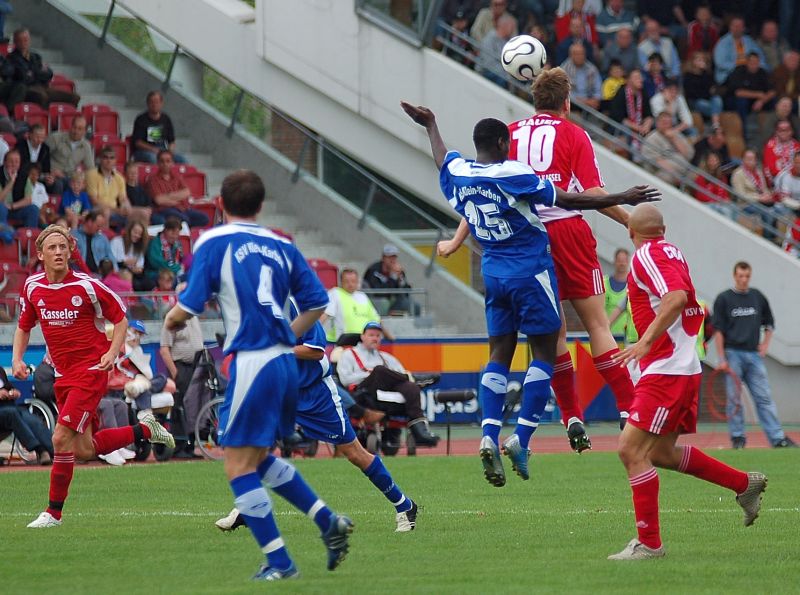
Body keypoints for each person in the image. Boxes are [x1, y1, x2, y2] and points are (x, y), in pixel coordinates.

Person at [400, 98, 658, 484]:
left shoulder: (461, 171)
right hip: (530, 273)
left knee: (499, 355)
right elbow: (568, 198)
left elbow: (441, 158)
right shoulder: (515, 173)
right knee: (546, 351)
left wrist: (431, 124)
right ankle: (521, 438)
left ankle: (488, 436)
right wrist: (621, 198)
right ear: (503, 144)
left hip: (493, 275)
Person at [164, 169, 353, 580]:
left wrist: (170, 320)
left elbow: (188, 306)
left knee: (237, 465)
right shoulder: (281, 243)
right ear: (261, 205)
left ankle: (281, 563)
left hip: (254, 361)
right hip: (285, 363)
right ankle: (327, 522)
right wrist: (286, 336)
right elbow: (318, 303)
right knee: (260, 457)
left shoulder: (213, 240)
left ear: (219, 205)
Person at [450, 68, 645, 452]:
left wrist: (457, 238)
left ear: (534, 99)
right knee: (597, 325)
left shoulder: (510, 133)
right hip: (568, 230)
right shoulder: (573, 134)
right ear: (566, 102)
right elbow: (592, 191)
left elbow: (483, 188)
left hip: (526, 239)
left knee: (552, 333)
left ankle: (571, 415)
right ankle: (629, 408)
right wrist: (628, 220)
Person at [608, 203, 767, 561]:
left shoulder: (644, 256)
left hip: (666, 369)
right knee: (660, 453)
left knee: (630, 450)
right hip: (682, 366)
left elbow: (676, 298)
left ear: (631, 233)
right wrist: (605, 200)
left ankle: (649, 544)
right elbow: (636, 224)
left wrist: (645, 342)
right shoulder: (668, 249)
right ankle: (744, 484)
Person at [12, 225, 173, 528]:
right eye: (52, 248)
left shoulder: (87, 286)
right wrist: (17, 359)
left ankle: (53, 513)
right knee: (83, 449)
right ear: (40, 254)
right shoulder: (32, 287)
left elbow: (121, 319)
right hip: (62, 375)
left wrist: (111, 353)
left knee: (60, 438)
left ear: (70, 251)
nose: (58, 252)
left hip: (90, 372)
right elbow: (23, 326)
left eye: (63, 247)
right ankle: (146, 430)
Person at [215, 305, 418, 534]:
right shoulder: (257, 304)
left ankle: (404, 505)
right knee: (255, 446)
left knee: (355, 453)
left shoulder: (296, 305)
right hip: (282, 389)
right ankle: (249, 508)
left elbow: (315, 351)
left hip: (316, 395)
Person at [712, 262, 796, 449]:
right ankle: (738, 438)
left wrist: (765, 345)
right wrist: (722, 358)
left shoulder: (757, 297)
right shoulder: (724, 299)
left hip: (753, 355)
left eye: (747, 276)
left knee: (764, 397)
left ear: (750, 276)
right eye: (740, 276)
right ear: (735, 276)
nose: (744, 280)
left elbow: (770, 324)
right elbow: (718, 331)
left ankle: (777, 438)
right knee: (734, 399)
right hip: (732, 354)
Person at [337, 321, 439, 446]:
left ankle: (420, 433)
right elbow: (345, 380)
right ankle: (413, 377)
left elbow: (399, 375)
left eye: (378, 336)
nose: (375, 338)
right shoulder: (348, 355)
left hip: (386, 390)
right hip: (363, 391)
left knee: (410, 387)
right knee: (380, 370)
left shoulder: (386, 357)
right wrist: (369, 374)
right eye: (371, 335)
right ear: (362, 337)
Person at [159, 312, 204, 458]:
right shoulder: (172, 317)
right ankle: (179, 447)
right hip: (180, 366)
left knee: (194, 407)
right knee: (179, 406)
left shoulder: (194, 317)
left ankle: (190, 446)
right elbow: (164, 349)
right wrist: (175, 373)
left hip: (196, 367)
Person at [5, 28, 80, 107]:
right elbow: (24, 77)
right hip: (27, 89)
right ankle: (44, 114)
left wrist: (33, 73)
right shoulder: (12, 58)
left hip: (43, 87)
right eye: (20, 41)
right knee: (42, 97)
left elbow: (49, 74)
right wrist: (38, 72)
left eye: (25, 40)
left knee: (74, 97)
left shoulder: (36, 57)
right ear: (15, 42)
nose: (23, 43)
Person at [0, 366, 54, 465]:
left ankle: (55, 451)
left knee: (29, 418)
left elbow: (8, 387)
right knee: (12, 413)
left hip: (9, 406)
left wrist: (13, 392)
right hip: (6, 412)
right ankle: (40, 450)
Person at [320, 267, 391, 342]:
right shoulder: (335, 293)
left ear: (358, 282)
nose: (350, 284)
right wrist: (312, 332)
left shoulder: (363, 296)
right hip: (344, 341)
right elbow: (324, 315)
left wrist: (389, 337)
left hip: (364, 342)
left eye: (353, 281)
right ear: (341, 282)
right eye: (346, 281)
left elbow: (376, 320)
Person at [144, 150, 208, 227]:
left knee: (204, 218)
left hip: (182, 209)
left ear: (172, 163)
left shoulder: (176, 176)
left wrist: (168, 196)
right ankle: (182, 228)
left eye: (168, 161)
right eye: (162, 161)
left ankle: (182, 228)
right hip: (165, 210)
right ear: (158, 163)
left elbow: (187, 192)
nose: (165, 164)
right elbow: (159, 200)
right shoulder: (153, 179)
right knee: (185, 220)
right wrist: (177, 199)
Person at [725, 52, 774, 136]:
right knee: (742, 101)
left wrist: (762, 101)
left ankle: (769, 131)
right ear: (747, 62)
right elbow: (738, 93)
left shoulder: (762, 72)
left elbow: (772, 91)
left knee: (773, 101)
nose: (754, 64)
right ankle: (743, 133)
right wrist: (758, 95)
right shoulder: (739, 71)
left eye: (756, 62)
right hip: (734, 101)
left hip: (756, 102)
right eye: (752, 62)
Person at [130, 91, 186, 164]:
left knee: (182, 160)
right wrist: (153, 149)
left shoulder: (166, 119)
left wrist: (169, 151)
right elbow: (138, 143)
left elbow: (171, 141)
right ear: (148, 104)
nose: (154, 105)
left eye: (157, 102)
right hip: (144, 151)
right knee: (153, 158)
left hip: (163, 150)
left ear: (161, 103)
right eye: (152, 102)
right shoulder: (141, 119)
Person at [642, 112, 695, 185]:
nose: (666, 125)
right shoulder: (652, 139)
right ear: (657, 123)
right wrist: (675, 174)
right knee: (667, 177)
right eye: (664, 122)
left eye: (669, 122)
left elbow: (688, 155)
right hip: (661, 172)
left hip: (683, 170)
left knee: (696, 176)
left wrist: (674, 139)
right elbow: (657, 162)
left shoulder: (677, 135)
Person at [86, 145, 132, 229]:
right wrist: (116, 210)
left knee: (143, 213)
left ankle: (129, 236)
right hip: (96, 209)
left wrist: (126, 207)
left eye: (112, 158)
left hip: (115, 210)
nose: (109, 161)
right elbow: (94, 201)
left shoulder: (119, 178)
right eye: (105, 157)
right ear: (100, 159)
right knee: (106, 212)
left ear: (115, 160)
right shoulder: (91, 174)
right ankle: (105, 235)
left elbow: (123, 198)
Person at [46, 115, 94, 194]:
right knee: (59, 184)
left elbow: (91, 169)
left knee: (83, 186)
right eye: (74, 127)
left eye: (80, 129)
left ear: (84, 131)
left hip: (70, 178)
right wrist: (51, 171)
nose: (76, 131)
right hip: (52, 176)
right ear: (70, 126)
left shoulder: (86, 146)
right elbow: (41, 157)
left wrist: (82, 178)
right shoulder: (56, 138)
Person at [363, 243, 414, 315]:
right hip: (375, 300)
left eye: (394, 257)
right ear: (383, 258)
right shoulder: (374, 270)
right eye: (389, 257)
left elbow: (406, 293)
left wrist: (400, 278)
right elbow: (377, 292)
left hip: (393, 300)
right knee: (384, 303)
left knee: (413, 305)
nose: (392, 260)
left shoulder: (398, 271)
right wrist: (392, 277)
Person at [713, 16, 766, 85]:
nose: (737, 29)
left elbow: (761, 57)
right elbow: (720, 63)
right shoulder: (723, 43)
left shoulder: (749, 41)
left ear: (744, 28)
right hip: (729, 75)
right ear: (730, 27)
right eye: (735, 26)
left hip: (749, 73)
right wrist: (740, 67)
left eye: (740, 26)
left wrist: (757, 66)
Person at [683, 51, 722, 128]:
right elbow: (692, 93)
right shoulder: (688, 76)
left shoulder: (707, 74)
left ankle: (715, 124)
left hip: (707, 99)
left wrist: (705, 72)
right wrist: (707, 92)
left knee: (717, 99)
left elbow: (713, 88)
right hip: (694, 101)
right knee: (704, 104)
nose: (702, 62)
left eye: (703, 60)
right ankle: (716, 123)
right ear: (693, 61)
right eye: (699, 60)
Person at [476, 14, 517, 88]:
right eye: (512, 27)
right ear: (504, 26)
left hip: (499, 73)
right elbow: (488, 61)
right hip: (486, 71)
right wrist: (505, 75)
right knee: (502, 80)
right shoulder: (490, 38)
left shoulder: (506, 42)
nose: (513, 30)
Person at [1, 149, 38, 228]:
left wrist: (12, 206)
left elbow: (28, 200)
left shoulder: (23, 175)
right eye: (11, 161)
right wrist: (11, 182)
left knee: (33, 209)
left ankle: (28, 234)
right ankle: (6, 232)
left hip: (15, 208)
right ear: (5, 162)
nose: (14, 164)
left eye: (16, 162)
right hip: (1, 209)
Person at [72, 210, 116, 275]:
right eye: (98, 226)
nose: (99, 229)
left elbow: (110, 256)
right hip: (79, 273)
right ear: (90, 222)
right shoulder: (74, 235)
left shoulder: (102, 238)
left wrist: (115, 272)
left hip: (100, 274)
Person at [111, 219, 151, 291]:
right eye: (135, 232)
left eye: (140, 234)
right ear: (129, 230)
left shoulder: (138, 246)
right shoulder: (116, 241)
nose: (137, 235)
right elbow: (112, 262)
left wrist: (137, 269)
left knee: (149, 284)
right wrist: (125, 263)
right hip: (120, 271)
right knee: (135, 284)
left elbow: (140, 265)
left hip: (135, 274)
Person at [561, 42, 602, 110]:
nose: (580, 56)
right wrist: (584, 102)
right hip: (572, 105)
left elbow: (598, 89)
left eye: (582, 54)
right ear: (571, 55)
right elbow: (563, 92)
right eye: (576, 54)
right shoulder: (564, 70)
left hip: (591, 105)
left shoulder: (592, 69)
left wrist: (595, 99)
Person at [603, 247, 633, 340]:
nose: (622, 264)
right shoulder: (603, 283)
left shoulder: (634, 284)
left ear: (628, 262)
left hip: (627, 337)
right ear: (614, 261)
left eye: (624, 261)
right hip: (608, 335)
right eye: (619, 260)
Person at [145, 216, 185, 283]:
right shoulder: (155, 243)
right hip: (156, 273)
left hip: (173, 273)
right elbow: (156, 263)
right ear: (166, 230)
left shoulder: (177, 244)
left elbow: (181, 259)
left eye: (177, 234)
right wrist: (176, 268)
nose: (175, 236)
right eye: (172, 233)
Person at [762, 119, 800, 187]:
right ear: (776, 131)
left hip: (796, 179)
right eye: (780, 130)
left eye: (787, 130)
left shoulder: (797, 146)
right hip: (776, 180)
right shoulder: (770, 145)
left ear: (792, 131)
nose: (784, 132)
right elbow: (770, 169)